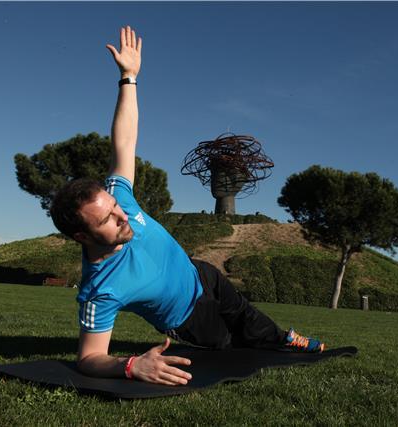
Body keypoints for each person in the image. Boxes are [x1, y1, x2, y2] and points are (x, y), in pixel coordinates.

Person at [50, 26, 325, 387]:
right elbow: (88, 359)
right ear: (81, 235)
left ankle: (284, 339)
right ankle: (260, 341)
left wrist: (128, 78)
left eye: (116, 206)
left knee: (245, 313)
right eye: (107, 219)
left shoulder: (121, 198)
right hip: (190, 317)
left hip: (200, 274)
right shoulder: (100, 288)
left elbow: (125, 139)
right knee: (229, 345)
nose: (122, 216)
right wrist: (130, 365)